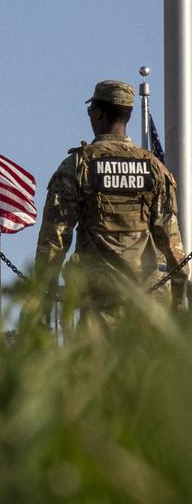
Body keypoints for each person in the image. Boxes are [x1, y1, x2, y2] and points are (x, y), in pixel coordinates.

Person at [34, 80, 188, 326]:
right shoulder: (155, 168)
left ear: (98, 113)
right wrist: (179, 301)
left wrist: (40, 300)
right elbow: (171, 242)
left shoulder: (78, 166)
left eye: (91, 110)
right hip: (150, 304)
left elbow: (54, 239)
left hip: (100, 302)